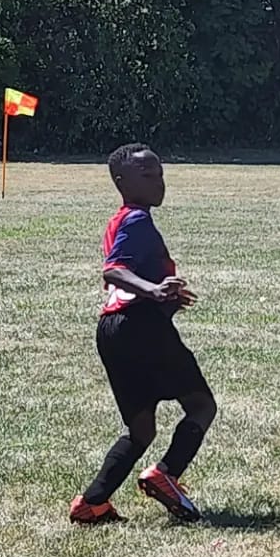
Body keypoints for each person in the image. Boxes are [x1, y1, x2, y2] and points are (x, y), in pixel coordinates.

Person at [70, 144, 215, 525]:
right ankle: (165, 474)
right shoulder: (136, 220)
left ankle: (92, 503)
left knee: (141, 429)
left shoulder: (121, 219)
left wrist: (166, 300)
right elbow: (113, 271)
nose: (158, 182)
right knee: (201, 406)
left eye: (159, 173)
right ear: (122, 181)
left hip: (113, 330)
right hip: (140, 325)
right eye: (146, 175)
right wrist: (152, 293)